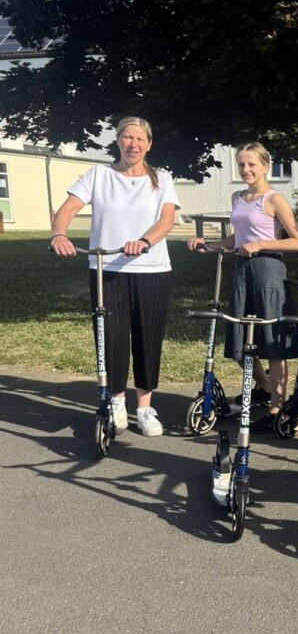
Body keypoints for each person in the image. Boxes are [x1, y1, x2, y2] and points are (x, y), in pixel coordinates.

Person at [49, 116, 180, 437]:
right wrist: (59, 235)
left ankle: (146, 407)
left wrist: (146, 241)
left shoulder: (162, 179)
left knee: (148, 336)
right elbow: (65, 210)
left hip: (151, 269)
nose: (133, 144)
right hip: (107, 270)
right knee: (112, 336)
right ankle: (117, 401)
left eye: (140, 139)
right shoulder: (98, 175)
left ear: (149, 144)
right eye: (127, 138)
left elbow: (166, 221)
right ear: (118, 141)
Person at [187, 143, 298, 427]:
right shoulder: (237, 197)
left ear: (266, 166)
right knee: (240, 342)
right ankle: (264, 387)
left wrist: (261, 244)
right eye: (241, 164)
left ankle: (277, 409)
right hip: (242, 273)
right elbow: (236, 239)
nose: (246, 170)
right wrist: (210, 244)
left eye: (252, 164)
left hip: (269, 272)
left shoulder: (274, 199)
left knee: (272, 344)